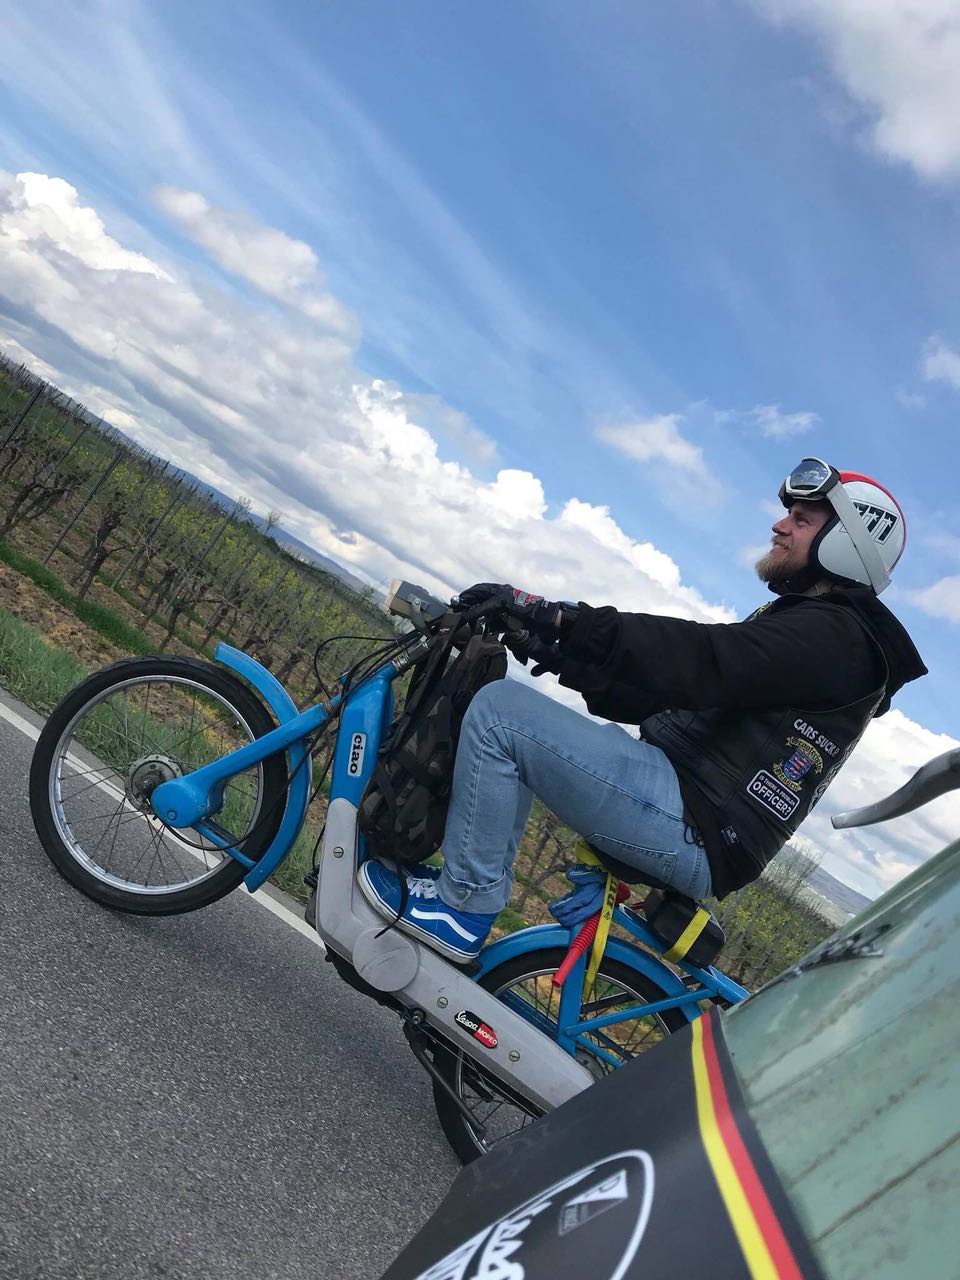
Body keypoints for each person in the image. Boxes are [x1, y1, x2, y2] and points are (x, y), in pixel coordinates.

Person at [359, 458, 927, 963]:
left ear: (847, 544)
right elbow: (666, 695)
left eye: (801, 520)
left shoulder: (839, 641)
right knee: (524, 721)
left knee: (501, 716)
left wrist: (559, 617)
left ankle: (464, 907)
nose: (780, 526)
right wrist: (552, 649)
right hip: (692, 807)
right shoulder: (821, 635)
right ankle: (466, 891)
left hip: (701, 825)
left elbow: (701, 658)